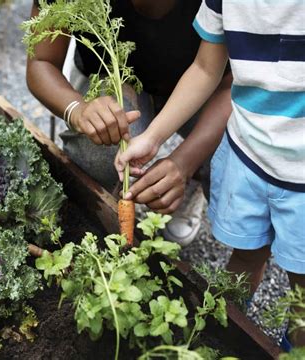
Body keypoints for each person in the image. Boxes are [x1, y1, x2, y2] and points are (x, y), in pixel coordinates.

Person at [115, 0, 305, 348]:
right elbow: (205, 68)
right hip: (248, 156)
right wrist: (154, 137)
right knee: (246, 255)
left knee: (302, 288)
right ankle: (218, 335)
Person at [26, 0, 232, 246]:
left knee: (233, 155)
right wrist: (78, 110)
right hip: (117, 78)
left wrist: (185, 162)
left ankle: (195, 180)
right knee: (101, 147)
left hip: (212, 84)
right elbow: (41, 62)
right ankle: (106, 225)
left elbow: (238, 84)